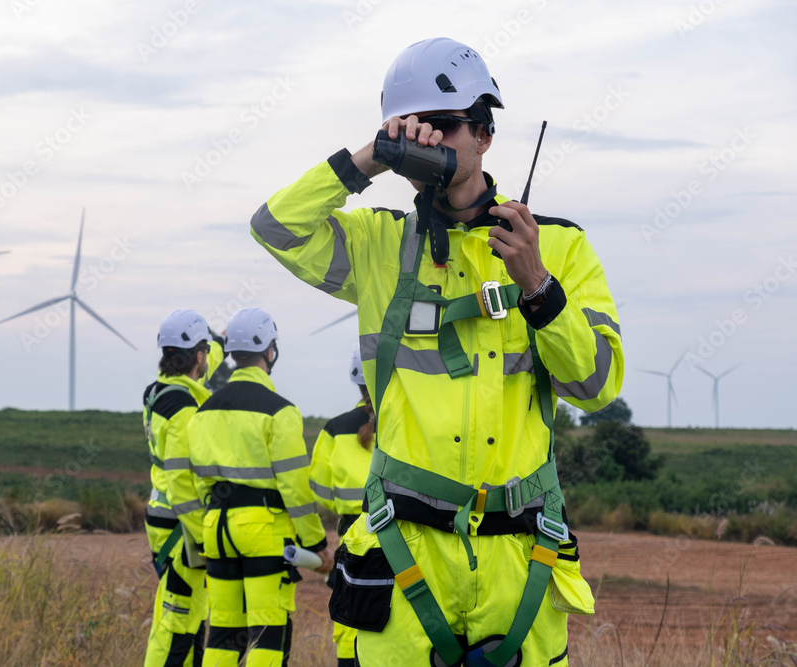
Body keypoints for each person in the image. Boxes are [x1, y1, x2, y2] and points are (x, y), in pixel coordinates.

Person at [251, 37, 623, 666]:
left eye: (445, 126)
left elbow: (598, 385)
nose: (430, 140)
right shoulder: (380, 245)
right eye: (415, 127)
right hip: (403, 561)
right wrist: (370, 157)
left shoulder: (557, 247)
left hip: (520, 564)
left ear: (484, 132)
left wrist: (536, 284)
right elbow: (275, 227)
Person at [183, 307, 334, 667]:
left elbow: (198, 480)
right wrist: (316, 544)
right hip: (263, 532)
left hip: (215, 530)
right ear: (270, 351)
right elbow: (295, 489)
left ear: (232, 354)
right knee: (267, 633)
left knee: (221, 633)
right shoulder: (280, 412)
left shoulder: (202, 412)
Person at [142, 309, 224, 667]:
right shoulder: (183, 408)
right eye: (207, 351)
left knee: (188, 619)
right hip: (180, 527)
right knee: (178, 625)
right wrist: (203, 536)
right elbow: (180, 480)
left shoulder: (162, 390)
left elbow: (211, 356)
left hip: (163, 517)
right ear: (198, 357)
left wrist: (220, 339)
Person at [308, 344, 375, 667]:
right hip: (409, 532)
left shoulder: (335, 429)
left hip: (354, 535)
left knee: (351, 617)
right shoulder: (414, 425)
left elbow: (319, 489)